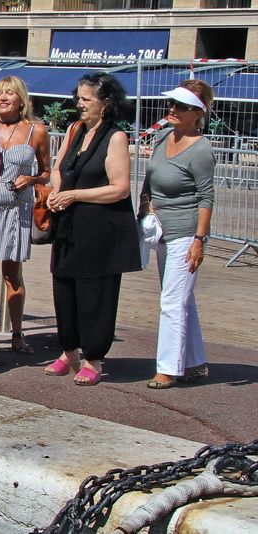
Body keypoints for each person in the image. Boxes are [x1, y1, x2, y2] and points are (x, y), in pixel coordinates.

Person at [44, 72, 141, 386]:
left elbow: (120, 189)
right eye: (79, 98)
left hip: (100, 230)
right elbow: (59, 168)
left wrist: (75, 195)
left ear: (106, 102)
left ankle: (94, 359)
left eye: (87, 99)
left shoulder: (116, 137)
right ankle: (68, 351)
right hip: (69, 227)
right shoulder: (75, 130)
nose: (79, 104)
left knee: (94, 295)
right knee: (65, 291)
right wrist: (58, 192)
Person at [140, 80, 215, 389]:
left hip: (186, 233)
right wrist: (146, 208)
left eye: (182, 106)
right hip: (161, 232)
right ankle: (195, 362)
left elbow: (206, 198)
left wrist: (199, 241)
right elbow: (150, 180)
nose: (173, 109)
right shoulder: (163, 138)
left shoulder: (201, 149)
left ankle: (168, 368)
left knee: (172, 302)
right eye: (172, 103)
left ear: (198, 113)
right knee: (182, 300)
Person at [0, 76, 50, 354]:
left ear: (21, 99)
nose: (3, 97)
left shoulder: (36, 131)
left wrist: (30, 180)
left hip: (17, 210)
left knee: (12, 275)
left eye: (9, 93)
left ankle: (17, 334)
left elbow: (46, 172)